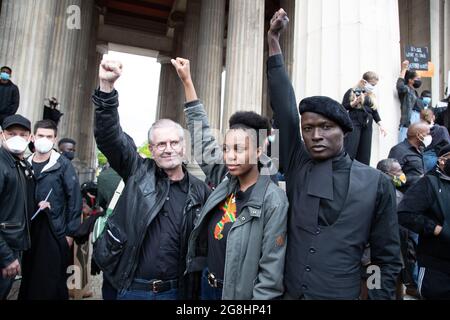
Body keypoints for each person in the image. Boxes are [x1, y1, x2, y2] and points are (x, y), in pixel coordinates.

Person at [267, 9, 401, 300]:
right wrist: (274, 40)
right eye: (308, 128)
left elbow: (384, 258)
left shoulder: (376, 183)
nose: (315, 136)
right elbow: (285, 106)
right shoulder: (296, 163)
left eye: (326, 127)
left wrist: (378, 297)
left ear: (345, 130)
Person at [92, 60, 211, 300]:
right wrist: (106, 87)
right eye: (160, 144)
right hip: (132, 289)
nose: (168, 149)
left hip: (176, 292)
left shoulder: (200, 192)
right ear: (152, 150)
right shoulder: (137, 170)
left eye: (174, 143)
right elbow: (109, 137)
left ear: (184, 147)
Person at [172, 58, 288, 300]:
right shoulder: (225, 178)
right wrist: (187, 81)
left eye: (238, 149)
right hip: (207, 285)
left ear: (258, 151)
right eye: (226, 149)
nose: (229, 156)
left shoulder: (273, 200)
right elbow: (203, 137)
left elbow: (271, 272)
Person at [18, 119, 82, 300]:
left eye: (48, 136)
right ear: (33, 137)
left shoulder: (63, 165)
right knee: (29, 277)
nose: (44, 139)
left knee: (50, 279)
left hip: (53, 230)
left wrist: (70, 233)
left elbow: (74, 199)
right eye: (40, 136)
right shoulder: (24, 163)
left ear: (55, 139)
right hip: (29, 230)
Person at [398, 144, 450, 299]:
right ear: (442, 160)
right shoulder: (428, 183)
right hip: (436, 269)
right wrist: (438, 230)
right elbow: (405, 213)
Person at [0, 115, 36, 300]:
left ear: (30, 138)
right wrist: (6, 256)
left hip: (12, 245)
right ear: (1, 135)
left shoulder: (18, 164)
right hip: (5, 249)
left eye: (22, 134)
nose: (17, 137)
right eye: (11, 133)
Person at [376, 159, 418, 299]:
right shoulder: (372, 195)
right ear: (386, 174)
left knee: (396, 291)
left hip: (397, 258)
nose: (402, 175)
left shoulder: (400, 197)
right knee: (374, 290)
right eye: (398, 171)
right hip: (374, 261)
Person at [343, 72, 387, 165]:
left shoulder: (371, 95)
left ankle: (362, 171)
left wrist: (381, 125)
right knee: (351, 147)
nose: (373, 87)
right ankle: (346, 168)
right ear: (364, 82)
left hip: (367, 124)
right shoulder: (352, 91)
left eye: (374, 85)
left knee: (365, 151)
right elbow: (343, 107)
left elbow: (374, 111)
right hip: (354, 121)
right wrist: (354, 103)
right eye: (372, 84)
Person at [388, 122, 431, 191]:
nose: (430, 136)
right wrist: (416, 179)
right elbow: (392, 177)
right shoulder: (399, 150)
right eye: (427, 134)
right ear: (418, 135)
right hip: (405, 196)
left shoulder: (421, 149)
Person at [397, 61, 422, 142]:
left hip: (416, 122)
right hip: (408, 122)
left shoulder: (414, 92)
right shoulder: (407, 89)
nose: (419, 80)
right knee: (405, 143)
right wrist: (404, 69)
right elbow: (400, 86)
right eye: (417, 78)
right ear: (410, 80)